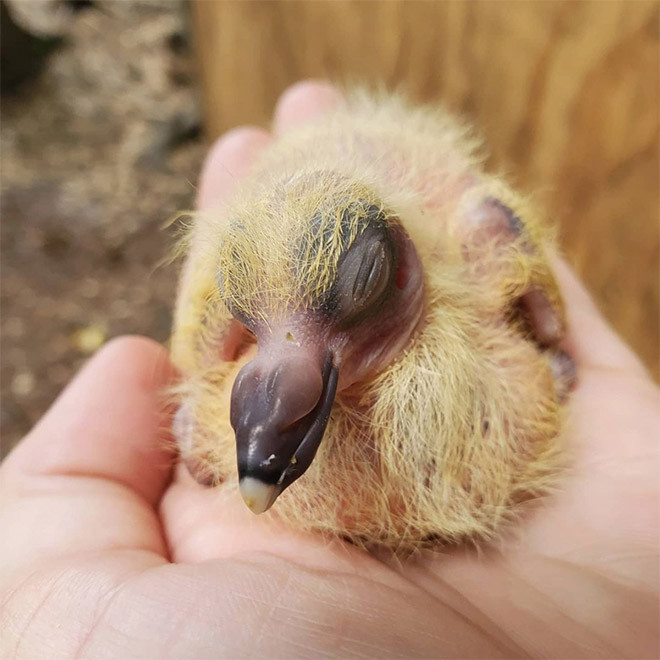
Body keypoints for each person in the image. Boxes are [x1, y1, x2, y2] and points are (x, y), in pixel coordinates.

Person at [1, 81, 658, 659]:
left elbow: (501, 244)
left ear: (400, 274)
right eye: (250, 332)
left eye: (365, 290)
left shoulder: (481, 277)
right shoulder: (240, 350)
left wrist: (542, 333)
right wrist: (204, 373)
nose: (268, 385)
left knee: (487, 228)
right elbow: (217, 318)